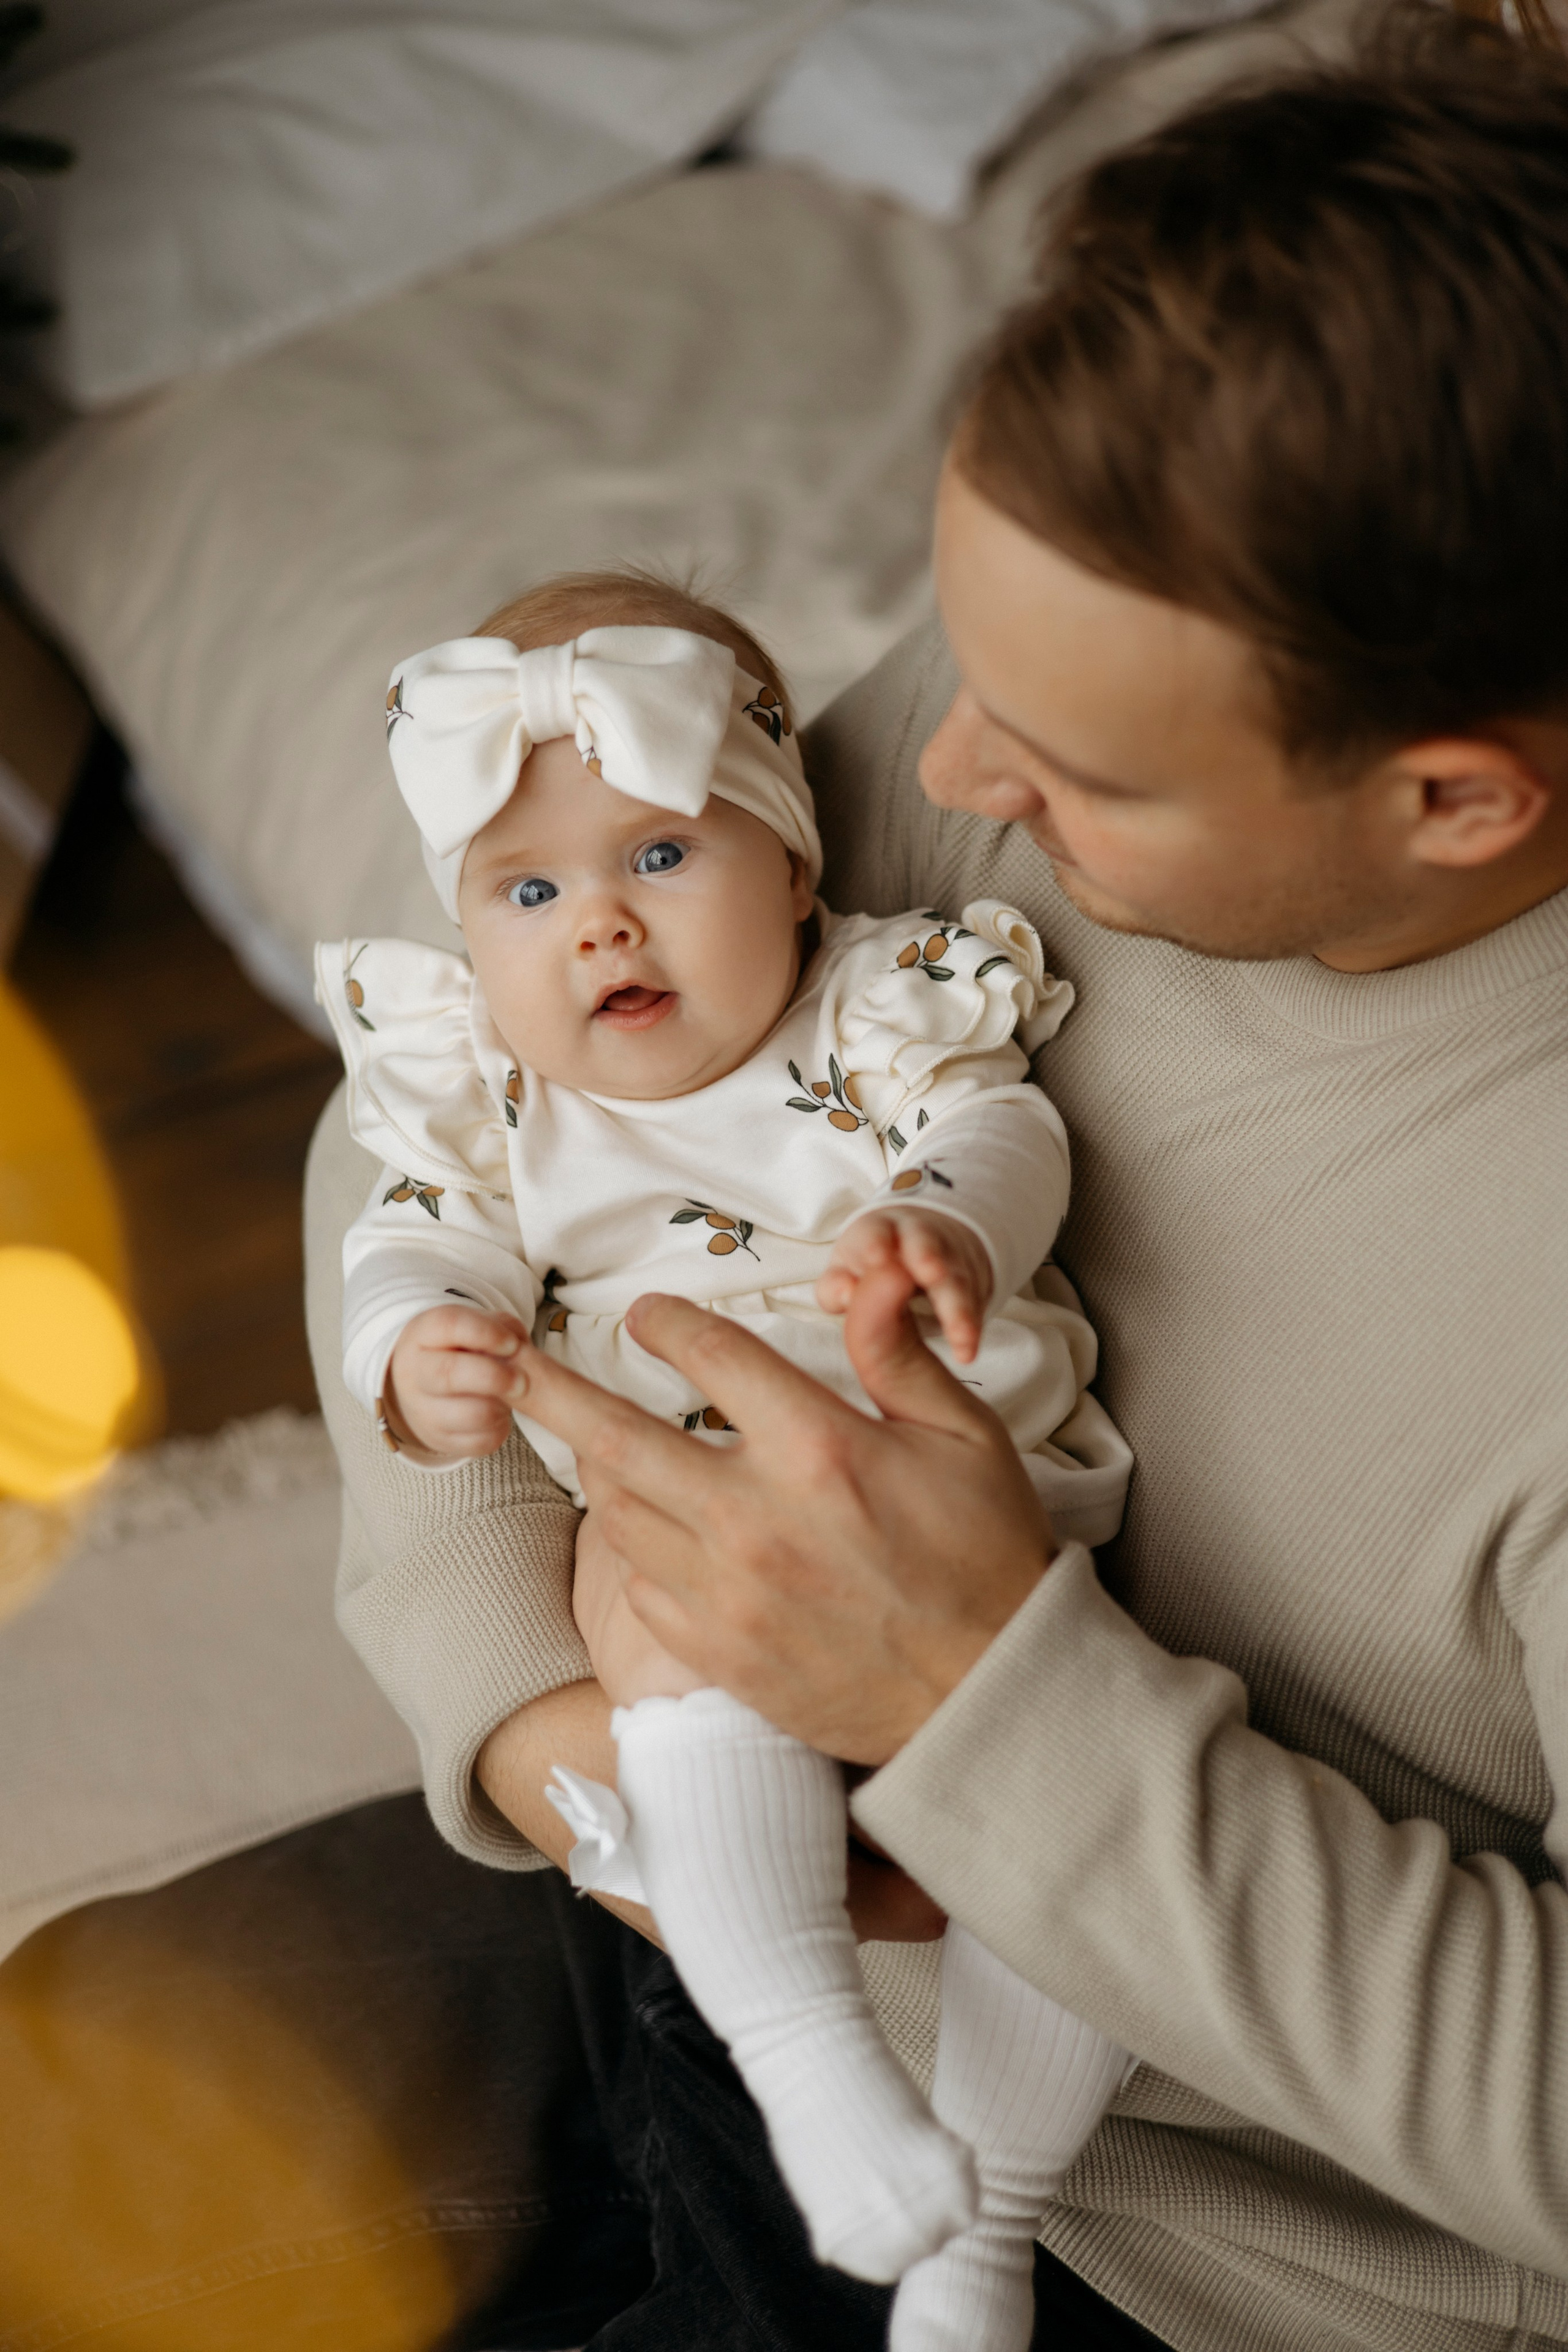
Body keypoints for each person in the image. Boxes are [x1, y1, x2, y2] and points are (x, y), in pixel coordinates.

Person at [306, 10, 1568, 2346]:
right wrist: (542, 1721)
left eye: (1073, 760)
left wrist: (995, 1710)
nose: (948, 765)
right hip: (682, 1858)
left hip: (1164, 2240)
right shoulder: (1124, 631)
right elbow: (468, 1076)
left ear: (1454, 800)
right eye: (958, 646)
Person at [317, 568, 1134, 2342]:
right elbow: (408, 1240)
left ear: (798, 873)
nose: (601, 926)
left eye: (661, 856)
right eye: (530, 892)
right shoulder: (494, 1094)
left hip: (965, 1517)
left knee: (1085, 1854)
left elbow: (1002, 1134)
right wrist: (413, 1350)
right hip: (687, 1515)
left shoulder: (875, 1007)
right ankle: (806, 2053)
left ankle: (984, 2227)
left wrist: (946, 1221)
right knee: (645, 1594)